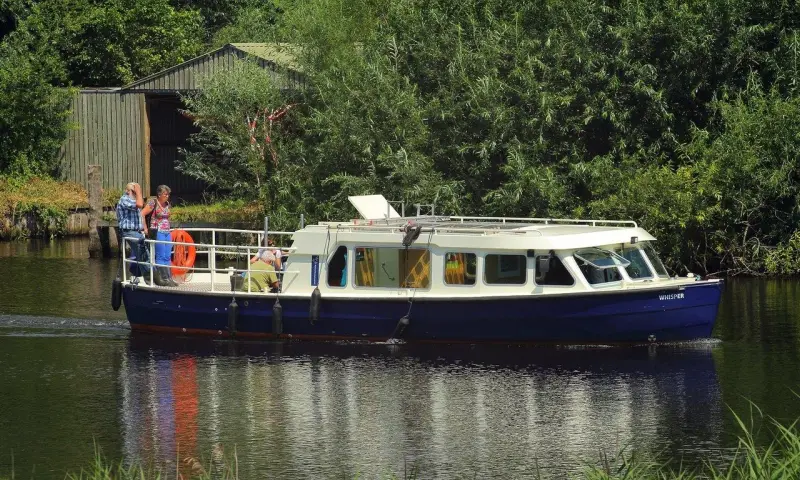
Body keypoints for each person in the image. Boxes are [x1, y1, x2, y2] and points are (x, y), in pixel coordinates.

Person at [141, 185, 177, 287]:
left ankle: (169, 277)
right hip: (157, 231)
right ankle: (163, 278)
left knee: (167, 255)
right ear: (159, 194)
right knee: (160, 255)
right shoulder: (153, 203)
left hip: (167, 232)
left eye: (168, 194)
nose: (167, 196)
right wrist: (145, 228)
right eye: (165, 194)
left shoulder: (167, 204)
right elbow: (142, 213)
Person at [116, 182, 151, 283]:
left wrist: (144, 228)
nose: (137, 194)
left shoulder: (134, 200)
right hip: (129, 231)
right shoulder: (124, 199)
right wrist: (138, 190)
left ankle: (148, 276)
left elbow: (140, 213)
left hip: (136, 231)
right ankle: (150, 277)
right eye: (134, 192)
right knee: (143, 253)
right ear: (128, 191)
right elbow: (140, 205)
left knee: (144, 253)